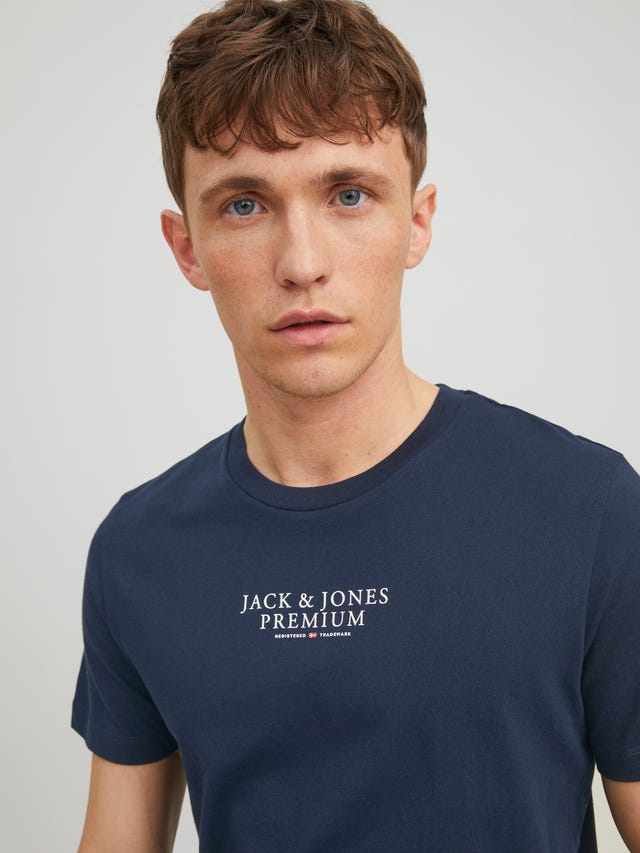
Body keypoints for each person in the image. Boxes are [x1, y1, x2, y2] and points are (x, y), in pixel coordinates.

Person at [71, 0, 640, 850]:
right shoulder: (138, 551)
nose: (303, 263)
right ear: (186, 247)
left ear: (417, 220)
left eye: (348, 194)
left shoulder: (587, 510)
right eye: (244, 205)